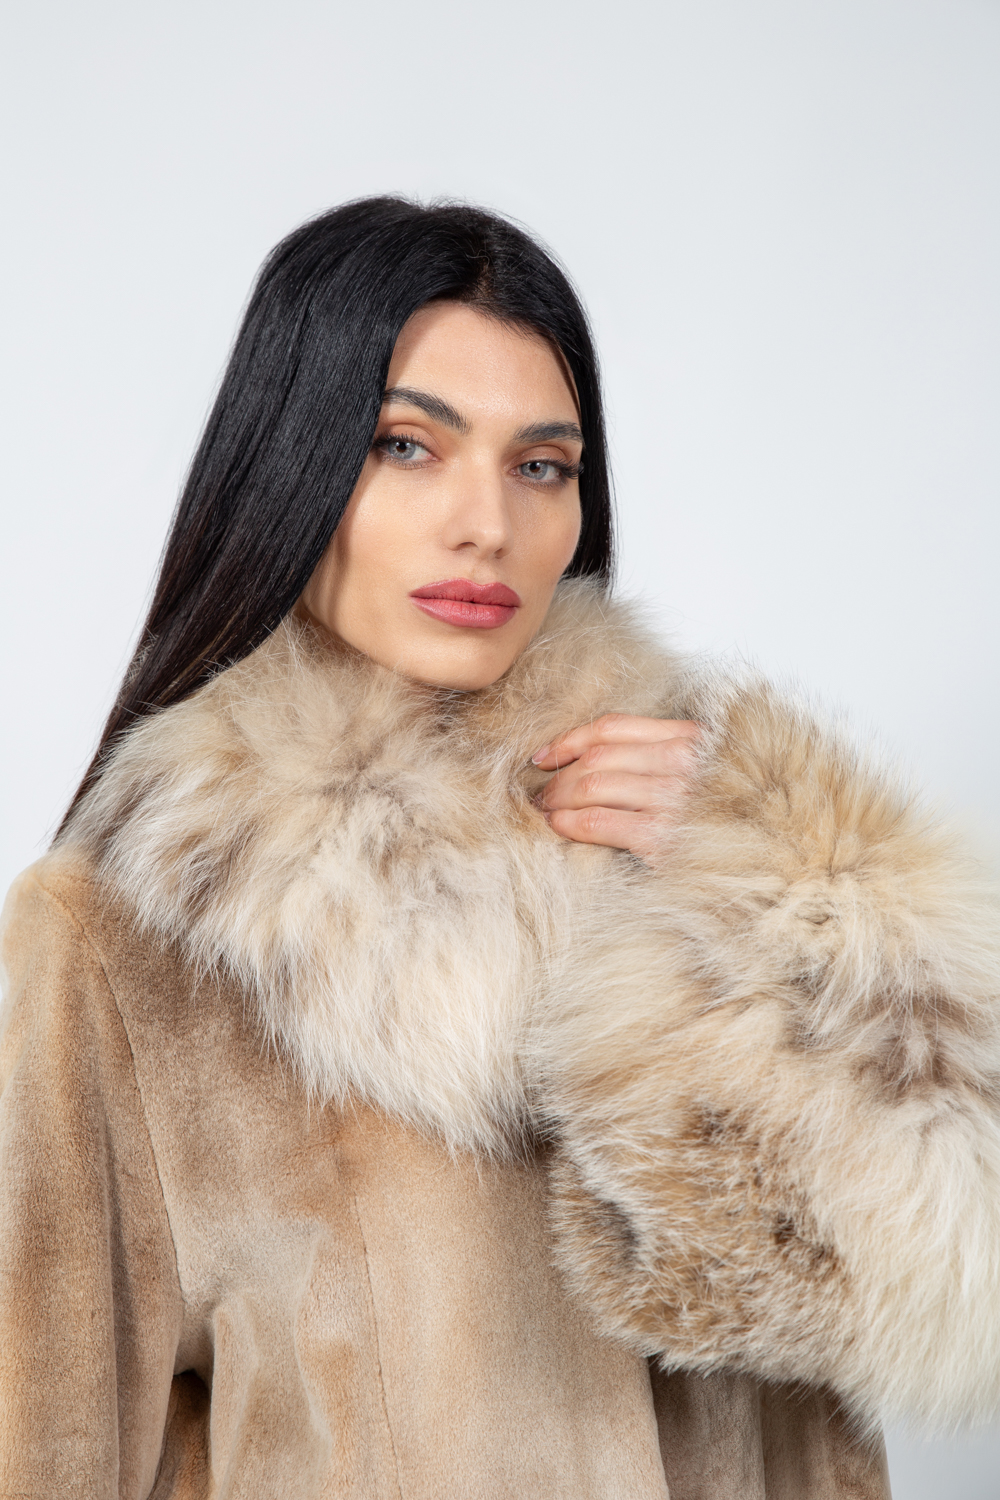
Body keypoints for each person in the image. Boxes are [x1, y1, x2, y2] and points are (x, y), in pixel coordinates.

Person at [1, 196, 997, 1500]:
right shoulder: (121, 937)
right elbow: (45, 1443)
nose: (486, 524)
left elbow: (930, 1298)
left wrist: (789, 889)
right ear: (291, 464)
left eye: (541, 467)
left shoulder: (699, 870)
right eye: (405, 446)